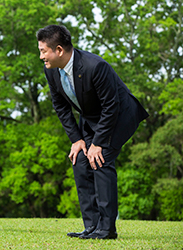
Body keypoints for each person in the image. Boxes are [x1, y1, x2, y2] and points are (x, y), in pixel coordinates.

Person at [36, 25, 149, 240]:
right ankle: (91, 227)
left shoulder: (95, 66)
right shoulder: (51, 70)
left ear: (59, 50)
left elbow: (111, 106)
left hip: (118, 116)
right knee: (80, 160)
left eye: (43, 51)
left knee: (101, 160)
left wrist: (98, 143)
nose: (41, 56)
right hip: (91, 119)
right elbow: (60, 106)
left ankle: (107, 229)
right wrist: (77, 140)